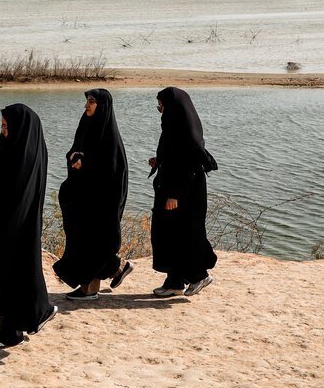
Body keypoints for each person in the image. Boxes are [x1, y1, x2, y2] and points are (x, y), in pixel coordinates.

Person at [0, 104, 58, 348]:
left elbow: (12, 188)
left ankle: (17, 326)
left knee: (7, 271)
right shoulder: (26, 149)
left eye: (6, 127)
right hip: (18, 223)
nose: (3, 132)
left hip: (15, 225)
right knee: (17, 272)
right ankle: (25, 319)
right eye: (2, 127)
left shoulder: (24, 154)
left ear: (20, 128)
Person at [54, 89, 132, 300]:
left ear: (102, 106)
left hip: (100, 200)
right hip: (83, 196)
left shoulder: (109, 135)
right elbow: (75, 150)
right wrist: (74, 157)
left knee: (91, 241)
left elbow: (111, 170)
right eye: (87, 101)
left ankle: (102, 278)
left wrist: (86, 163)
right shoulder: (86, 125)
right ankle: (106, 276)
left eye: (91, 102)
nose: (86, 106)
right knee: (82, 239)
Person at [149, 87, 218, 297]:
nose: (159, 108)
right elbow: (173, 157)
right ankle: (175, 282)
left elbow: (187, 164)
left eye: (161, 104)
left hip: (184, 192)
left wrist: (174, 194)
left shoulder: (183, 130)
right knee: (167, 234)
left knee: (185, 234)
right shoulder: (175, 124)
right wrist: (158, 161)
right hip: (173, 187)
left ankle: (199, 276)